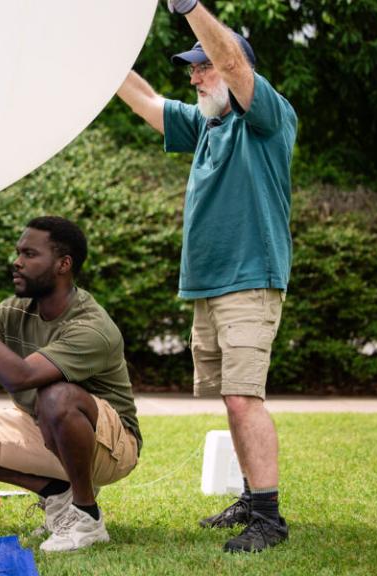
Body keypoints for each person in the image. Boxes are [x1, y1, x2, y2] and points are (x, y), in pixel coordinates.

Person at [116, 0, 297, 553]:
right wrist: (92, 58)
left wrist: (190, 7)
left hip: (249, 279)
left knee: (245, 397)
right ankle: (250, 495)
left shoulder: (265, 117)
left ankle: (268, 517)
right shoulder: (204, 124)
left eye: (205, 65)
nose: (195, 76)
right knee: (230, 398)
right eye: (191, 68)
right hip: (210, 286)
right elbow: (144, 99)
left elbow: (238, 69)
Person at [0, 216, 142, 552]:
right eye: (18, 252)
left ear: (64, 264)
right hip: (42, 424)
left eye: (30, 254)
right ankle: (57, 494)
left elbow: (21, 376)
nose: (17, 262)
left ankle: (86, 515)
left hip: (111, 445)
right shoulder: (11, 312)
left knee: (56, 394)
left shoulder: (92, 326)